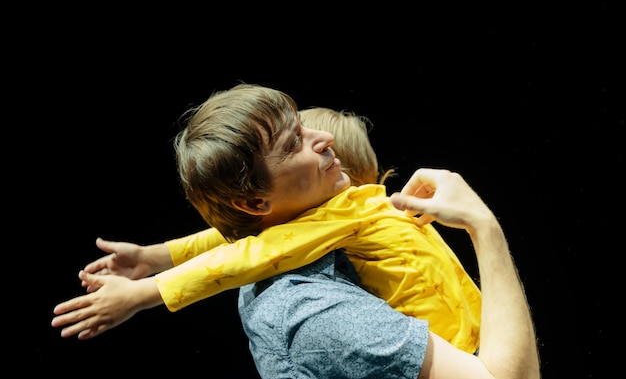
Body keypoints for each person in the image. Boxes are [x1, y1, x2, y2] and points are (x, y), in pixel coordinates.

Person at [52, 84, 540, 378]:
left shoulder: (334, 212)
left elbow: (238, 239)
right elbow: (243, 255)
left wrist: (154, 255)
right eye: (296, 142)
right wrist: (144, 293)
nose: (323, 139)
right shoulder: (307, 301)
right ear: (256, 201)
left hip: (472, 331)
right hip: (465, 352)